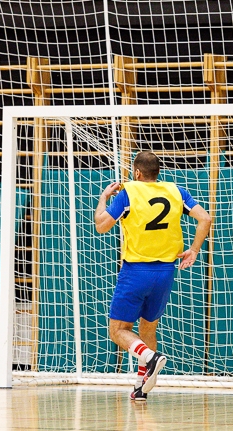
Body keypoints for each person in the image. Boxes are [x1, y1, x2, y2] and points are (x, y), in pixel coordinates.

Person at [94, 151, 212, 401]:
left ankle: (150, 357)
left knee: (118, 330)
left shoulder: (129, 192)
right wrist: (194, 250)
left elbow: (101, 225)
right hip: (166, 272)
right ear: (158, 172)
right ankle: (141, 386)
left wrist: (104, 198)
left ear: (137, 173)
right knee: (148, 328)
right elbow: (205, 218)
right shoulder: (176, 191)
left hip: (136, 271)